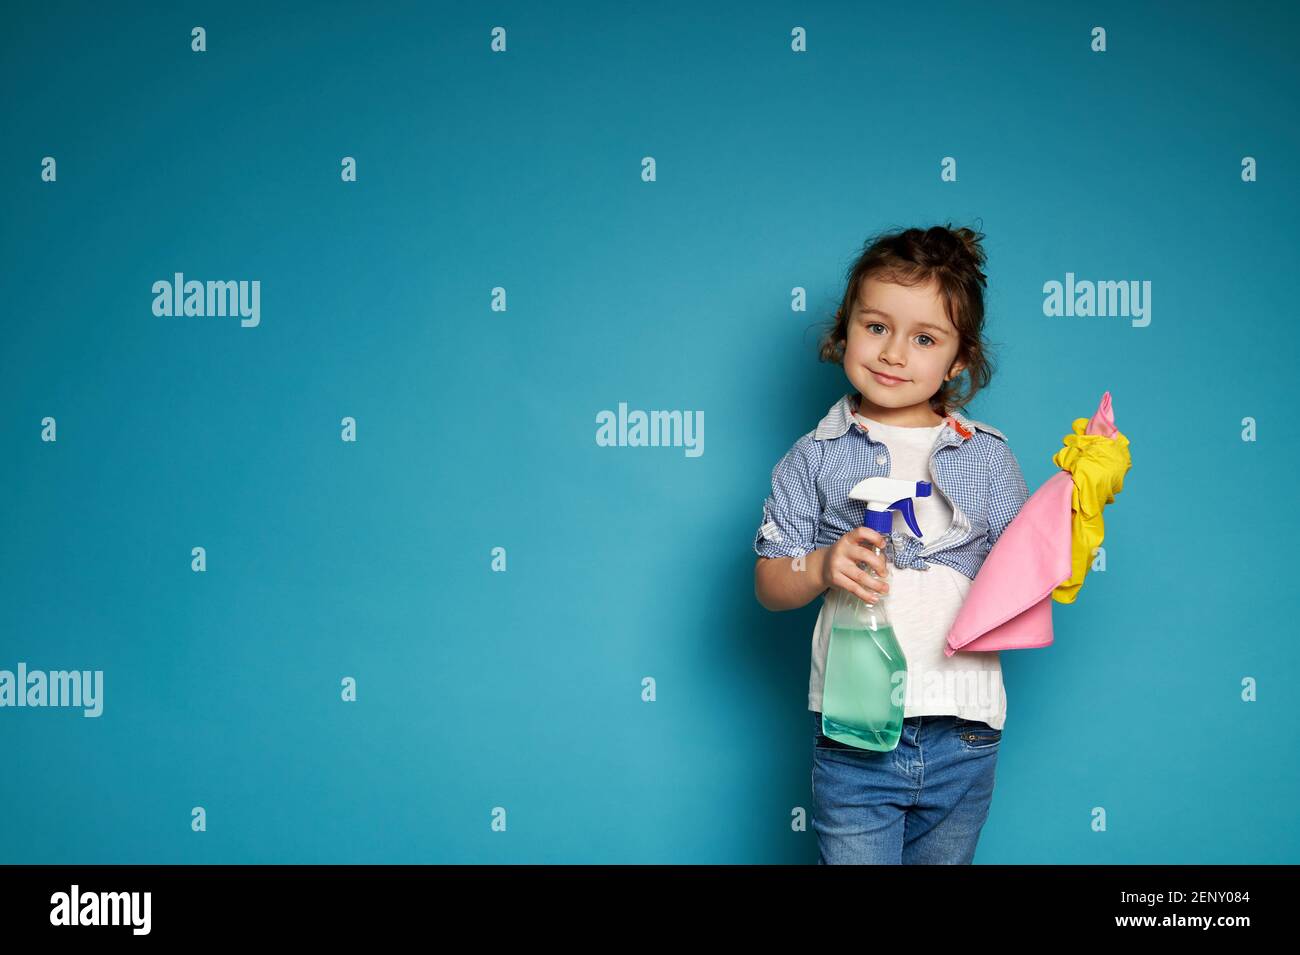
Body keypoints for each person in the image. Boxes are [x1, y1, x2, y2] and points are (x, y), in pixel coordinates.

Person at [753, 224, 1030, 864]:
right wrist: (822, 564)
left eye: (925, 338)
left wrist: (1076, 511)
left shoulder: (987, 457)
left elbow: (1028, 574)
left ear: (958, 361)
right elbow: (770, 583)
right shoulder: (814, 458)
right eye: (876, 326)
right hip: (855, 737)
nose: (893, 353)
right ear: (845, 328)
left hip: (964, 729)